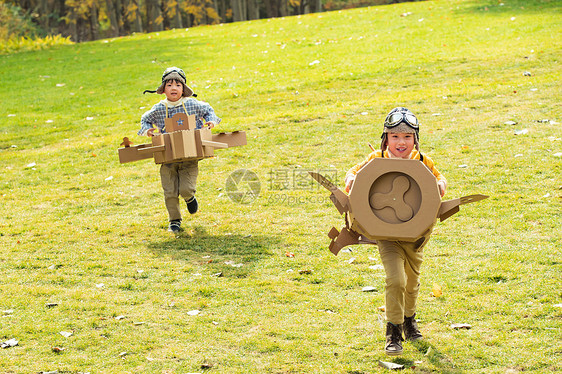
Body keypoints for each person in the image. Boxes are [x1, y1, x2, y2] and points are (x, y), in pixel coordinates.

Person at [344, 107, 447, 356]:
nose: (401, 142)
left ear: (415, 139)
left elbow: (441, 178)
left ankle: (410, 321)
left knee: (411, 283)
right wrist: (350, 179)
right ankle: (393, 331)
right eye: (395, 137)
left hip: (417, 235)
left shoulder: (422, 161)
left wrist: (441, 184)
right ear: (386, 138)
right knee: (396, 280)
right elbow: (352, 173)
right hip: (387, 234)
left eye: (407, 137)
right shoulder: (376, 159)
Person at [139, 67, 221, 232]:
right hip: (168, 157)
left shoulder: (191, 104)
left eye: (178, 84)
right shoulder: (160, 108)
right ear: (163, 90)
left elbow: (208, 110)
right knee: (169, 191)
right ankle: (174, 220)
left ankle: (189, 198)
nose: (174, 88)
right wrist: (148, 130)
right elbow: (145, 119)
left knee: (185, 188)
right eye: (169, 85)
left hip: (190, 155)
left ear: (183, 89)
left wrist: (211, 122)